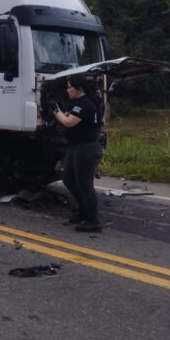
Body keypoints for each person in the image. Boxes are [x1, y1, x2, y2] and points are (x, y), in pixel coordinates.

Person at [53, 74, 102, 233]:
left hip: (86, 149)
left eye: (69, 87)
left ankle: (93, 221)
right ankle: (83, 211)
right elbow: (69, 116)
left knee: (85, 184)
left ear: (78, 88)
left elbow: (68, 122)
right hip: (75, 147)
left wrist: (54, 109)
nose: (67, 90)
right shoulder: (78, 103)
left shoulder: (85, 104)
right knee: (68, 179)